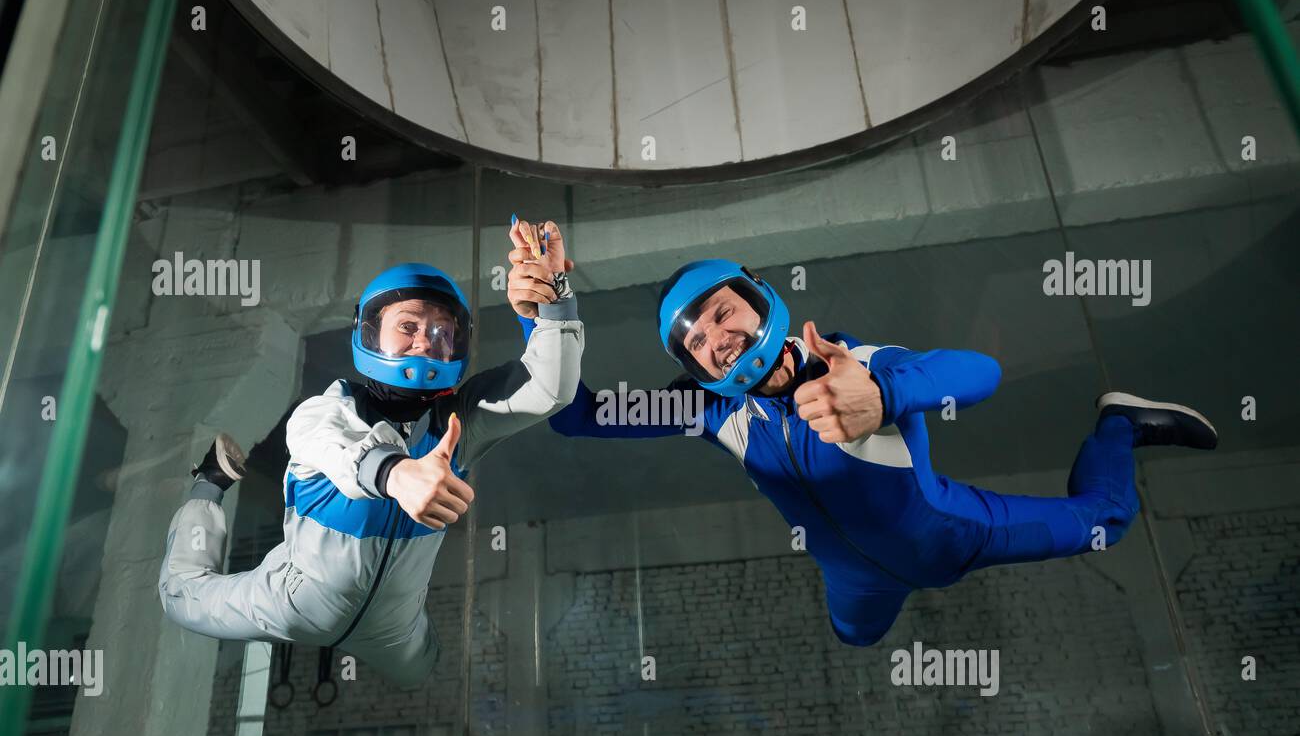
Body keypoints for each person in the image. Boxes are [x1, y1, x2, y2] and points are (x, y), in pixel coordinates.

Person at [538, 258, 1216, 647]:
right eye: (696, 341)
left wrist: (885, 396)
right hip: (858, 581)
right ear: (694, 365)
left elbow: (979, 371)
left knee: (1106, 521)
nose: (716, 337)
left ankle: (1120, 427)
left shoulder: (853, 363)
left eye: (722, 312)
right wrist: (550, 308)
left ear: (758, 299)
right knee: (857, 637)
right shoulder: (708, 409)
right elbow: (577, 415)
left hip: (958, 533)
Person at [158, 226, 581, 687]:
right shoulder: (322, 414)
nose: (425, 340)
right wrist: (398, 475)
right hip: (290, 602)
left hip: (394, 628)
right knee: (181, 599)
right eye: (408, 326)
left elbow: (549, 389)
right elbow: (336, 447)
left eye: (441, 331)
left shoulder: (461, 421)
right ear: (369, 330)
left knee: (424, 675)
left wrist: (553, 301)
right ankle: (209, 482)